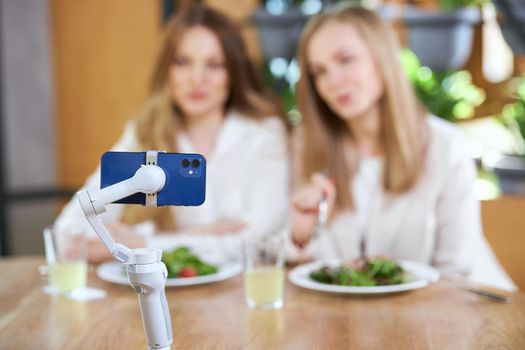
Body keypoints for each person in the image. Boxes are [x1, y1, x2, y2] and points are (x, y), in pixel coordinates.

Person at [289, 6, 515, 290]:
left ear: (381, 58)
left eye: (345, 60)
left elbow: (456, 271)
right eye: (319, 71)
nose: (332, 81)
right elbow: (315, 271)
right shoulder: (310, 146)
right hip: (358, 322)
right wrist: (301, 235)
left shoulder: (445, 146)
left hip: (468, 309)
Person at [54, 5, 289, 263]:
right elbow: (68, 233)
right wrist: (200, 235)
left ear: (232, 74)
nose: (197, 78)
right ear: (167, 71)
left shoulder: (264, 135)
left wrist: (146, 242)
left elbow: (259, 243)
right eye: (183, 62)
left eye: (214, 64)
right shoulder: (143, 135)